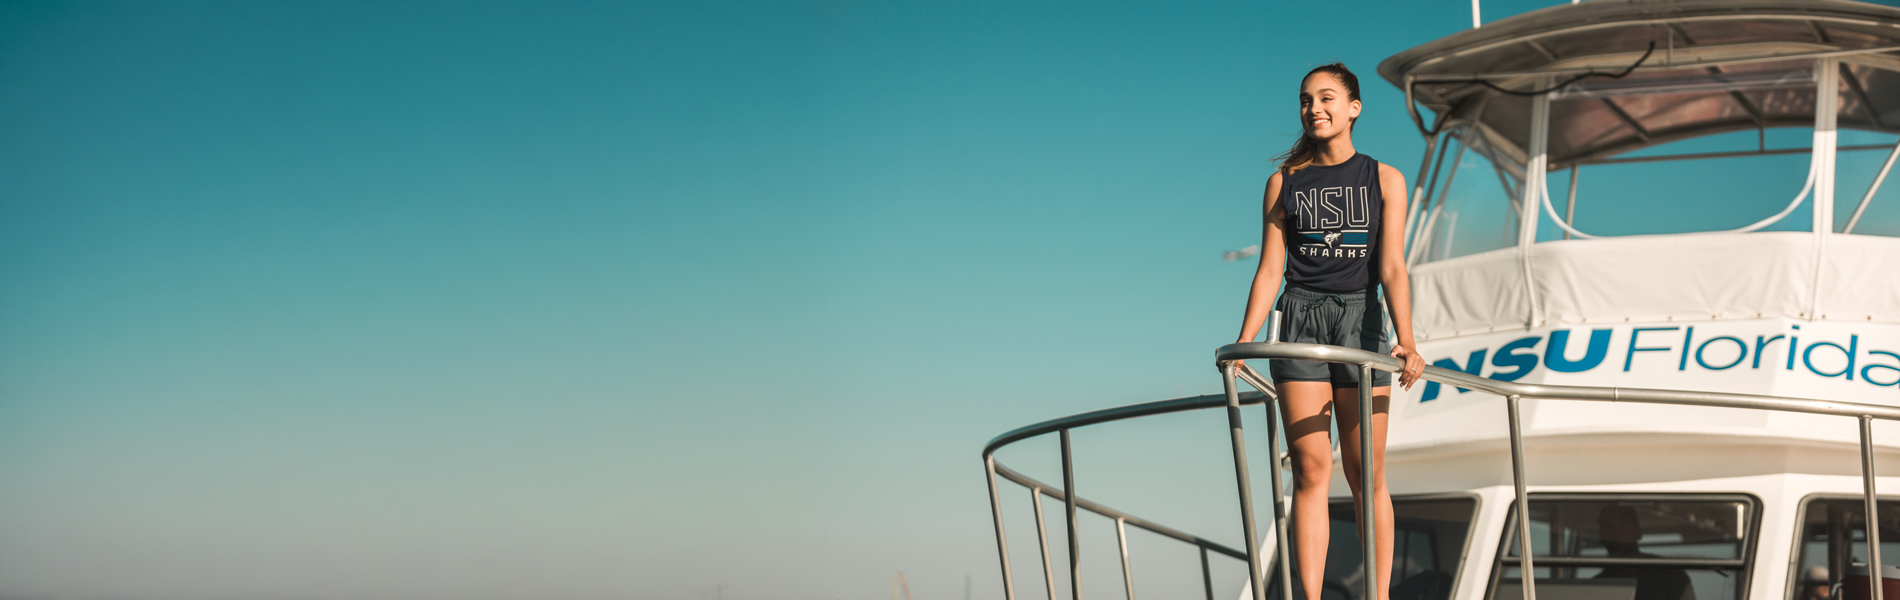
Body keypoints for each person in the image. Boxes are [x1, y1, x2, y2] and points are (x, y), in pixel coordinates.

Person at [1220, 63, 1426, 600]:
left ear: (1354, 107)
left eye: (1327, 98)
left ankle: (1377, 597)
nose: (1315, 108)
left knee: (1366, 472)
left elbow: (1393, 268)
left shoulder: (1384, 178)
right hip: (1300, 320)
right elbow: (1269, 270)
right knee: (1311, 469)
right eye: (1306, 100)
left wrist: (1407, 337)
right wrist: (1245, 341)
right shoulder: (1283, 182)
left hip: (1363, 319)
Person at [1595, 505, 1695, 600]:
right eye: (1608, 526)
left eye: (1622, 524)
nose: (1615, 532)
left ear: (1638, 532)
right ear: (1600, 536)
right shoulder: (1594, 586)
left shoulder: (1670, 574)